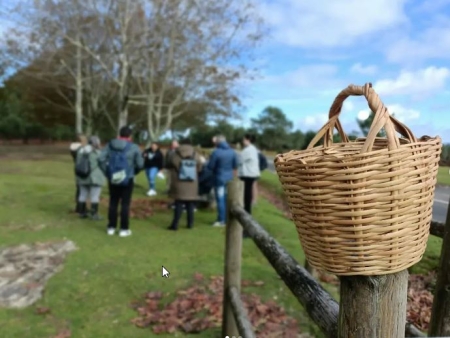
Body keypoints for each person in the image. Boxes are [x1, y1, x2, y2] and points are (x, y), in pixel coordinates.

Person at [98, 126, 144, 237]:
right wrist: (133, 172)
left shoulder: (110, 145)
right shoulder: (134, 147)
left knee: (113, 202)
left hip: (113, 177)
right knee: (125, 204)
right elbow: (140, 164)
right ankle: (124, 229)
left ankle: (111, 227)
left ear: (119, 134)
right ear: (130, 135)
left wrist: (107, 172)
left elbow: (100, 159)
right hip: (128, 178)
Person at [167, 138, 203, 230]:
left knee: (178, 203)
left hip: (179, 182)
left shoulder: (175, 154)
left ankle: (175, 224)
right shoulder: (196, 154)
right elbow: (199, 167)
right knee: (190, 204)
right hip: (192, 182)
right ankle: (190, 224)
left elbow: (170, 163)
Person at [207, 135, 238, 227]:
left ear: (218, 142)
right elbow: (235, 165)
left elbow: (210, 166)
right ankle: (227, 217)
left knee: (220, 199)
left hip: (219, 177)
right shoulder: (232, 152)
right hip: (229, 178)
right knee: (226, 198)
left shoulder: (216, 152)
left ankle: (221, 220)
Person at [75, 136, 106, 220]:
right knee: (94, 196)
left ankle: (81, 213)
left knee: (82, 194)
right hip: (94, 177)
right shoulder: (97, 153)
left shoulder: (80, 151)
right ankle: (94, 214)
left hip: (82, 176)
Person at [238, 134, 260, 215]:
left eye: (244, 139)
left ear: (248, 140)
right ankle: (246, 210)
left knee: (246, 193)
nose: (243, 141)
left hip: (248, 174)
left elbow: (240, 160)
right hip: (250, 173)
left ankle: (247, 211)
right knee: (247, 192)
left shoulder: (248, 150)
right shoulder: (252, 149)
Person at [70, 134, 87, 214]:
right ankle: (81, 208)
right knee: (82, 189)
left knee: (79, 188)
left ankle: (79, 207)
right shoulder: (82, 149)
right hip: (83, 169)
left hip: (77, 169)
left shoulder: (73, 148)